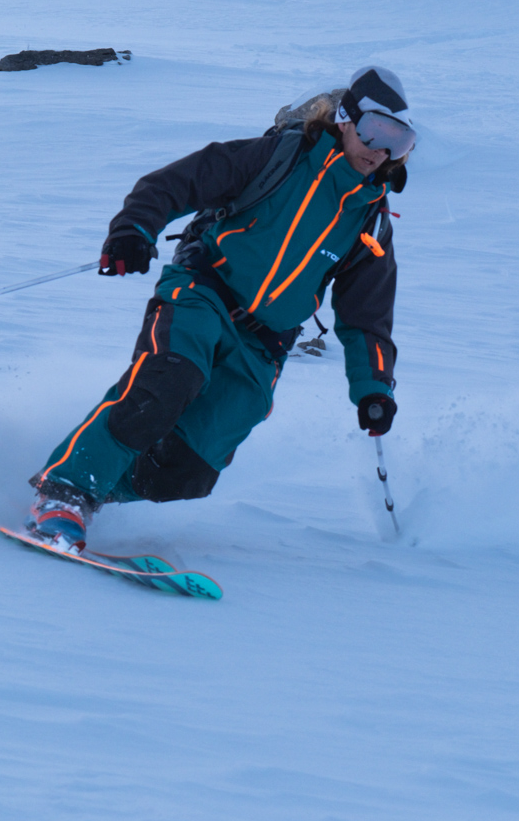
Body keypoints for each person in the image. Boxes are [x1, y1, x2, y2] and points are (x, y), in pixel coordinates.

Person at [24, 66, 415, 552]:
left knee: (187, 469)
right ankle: (65, 494)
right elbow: (176, 183)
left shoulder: (370, 222)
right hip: (203, 292)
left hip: (263, 345)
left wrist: (373, 387)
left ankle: (94, 489)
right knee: (166, 384)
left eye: (398, 142)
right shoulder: (280, 157)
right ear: (345, 119)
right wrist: (133, 229)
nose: (380, 151)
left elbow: (367, 318)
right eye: (374, 131)